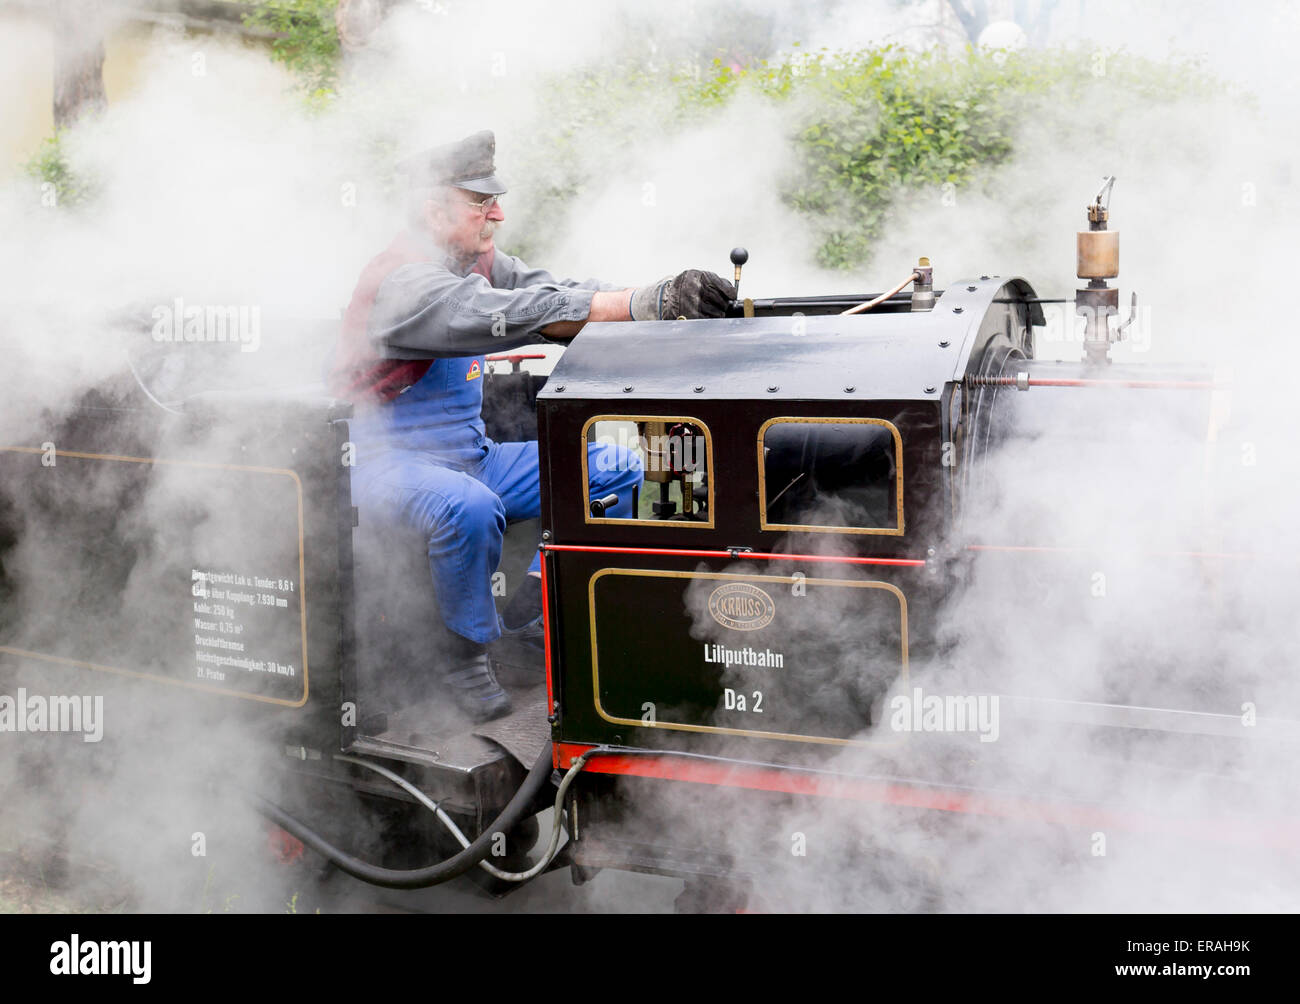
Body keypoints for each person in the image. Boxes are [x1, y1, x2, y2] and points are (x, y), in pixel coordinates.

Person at [331, 130, 734, 722]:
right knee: (464, 506)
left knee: (622, 464)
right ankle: (463, 653)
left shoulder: (481, 262)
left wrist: (660, 297)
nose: (497, 213)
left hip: (467, 452)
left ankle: (533, 622)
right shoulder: (403, 281)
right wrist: (639, 305)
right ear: (431, 207)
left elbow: (556, 291)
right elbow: (502, 315)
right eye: (479, 201)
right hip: (379, 462)